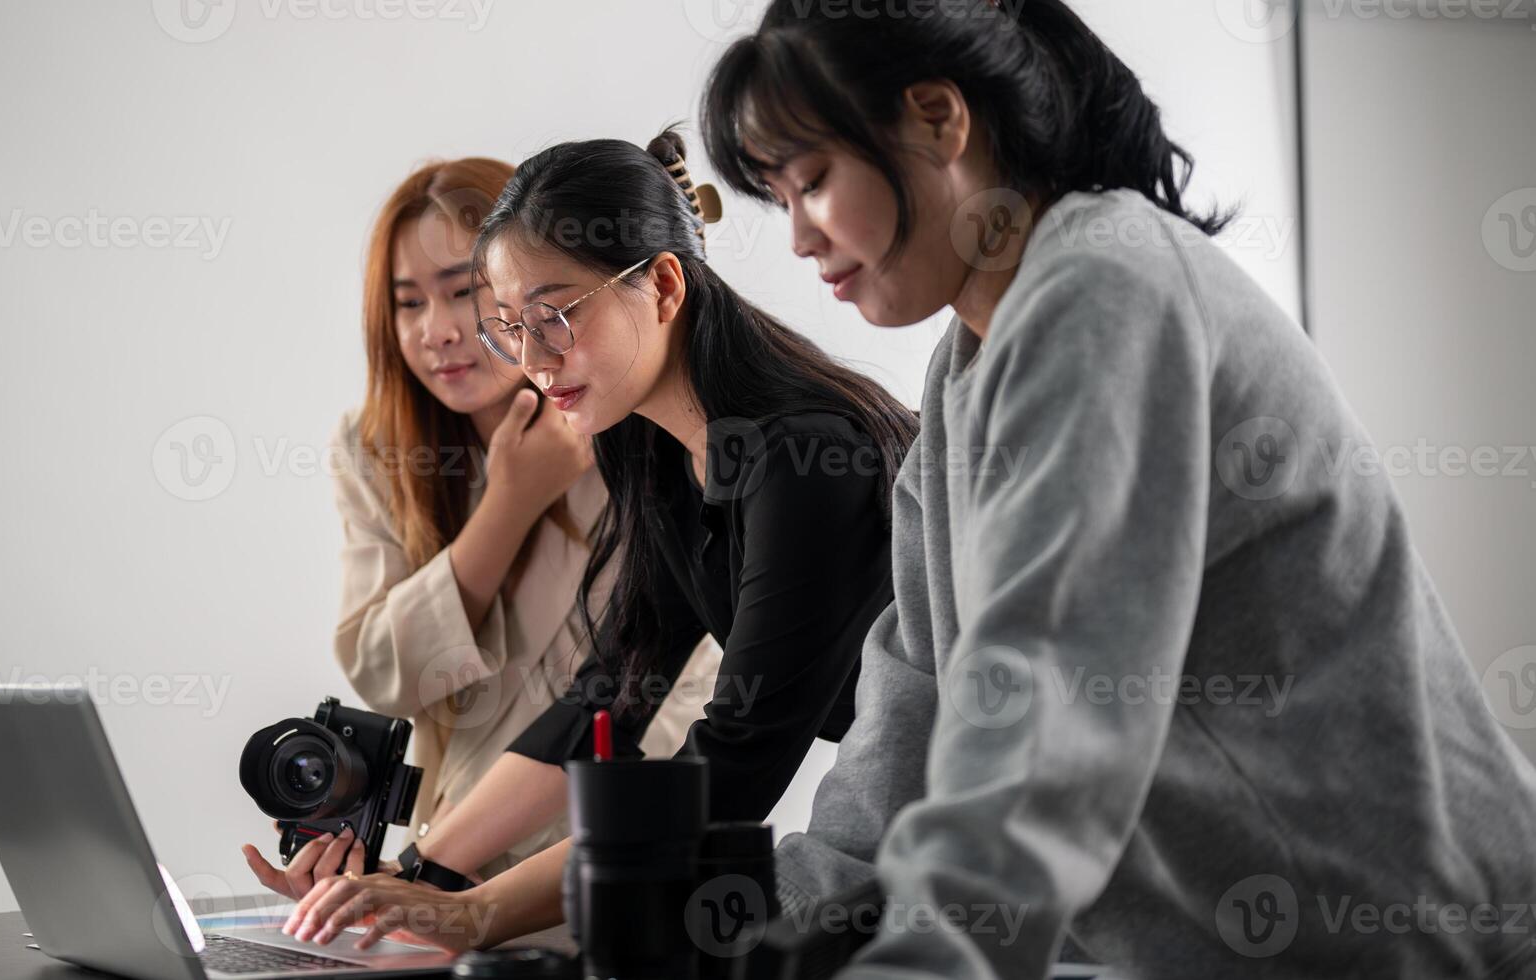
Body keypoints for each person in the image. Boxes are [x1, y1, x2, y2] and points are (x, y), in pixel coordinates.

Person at [695, 1, 1536, 977]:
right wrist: (749, 926)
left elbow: (1045, 712)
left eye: (810, 182)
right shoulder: (964, 366)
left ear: (936, 119)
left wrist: (921, 956)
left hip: (1411, 938)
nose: (796, 237)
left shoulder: (1103, 287)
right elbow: (911, 708)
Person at [277, 129, 918, 952]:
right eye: (509, 327)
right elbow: (607, 694)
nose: (535, 359)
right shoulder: (651, 448)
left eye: (556, 316)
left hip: (1007, 818)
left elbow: (734, 767)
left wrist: (480, 912)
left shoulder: (803, 460)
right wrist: (417, 876)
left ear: (661, 284)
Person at [241, 157, 719, 899]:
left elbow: (670, 703)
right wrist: (510, 504)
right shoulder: (378, 450)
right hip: (442, 853)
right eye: (406, 304)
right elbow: (384, 673)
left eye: (463, 292)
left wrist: (443, 873)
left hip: (602, 861)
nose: (437, 332)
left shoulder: (643, 429)